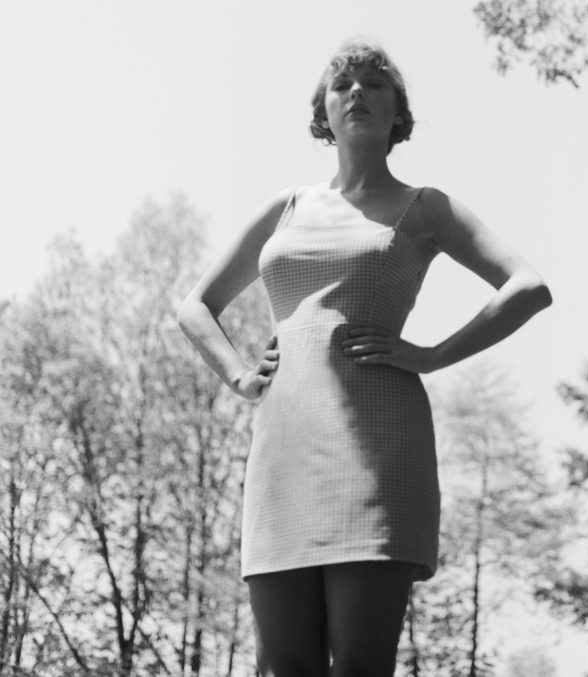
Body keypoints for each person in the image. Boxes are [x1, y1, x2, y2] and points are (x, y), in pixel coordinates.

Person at [177, 39, 552, 677]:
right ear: (322, 111)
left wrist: (431, 355)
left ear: (398, 113)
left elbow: (529, 287)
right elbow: (195, 306)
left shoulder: (425, 207)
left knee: (360, 664)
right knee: (285, 665)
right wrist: (239, 375)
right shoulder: (285, 208)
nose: (357, 93)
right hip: (282, 450)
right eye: (343, 84)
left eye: (375, 84)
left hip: (377, 448)